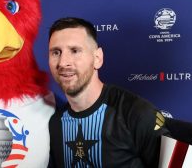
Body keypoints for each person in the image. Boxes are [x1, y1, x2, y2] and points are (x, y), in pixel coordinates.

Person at [47, 17, 168, 167]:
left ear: (97, 58)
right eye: (56, 52)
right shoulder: (54, 123)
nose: (63, 62)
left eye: (75, 51)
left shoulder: (136, 113)